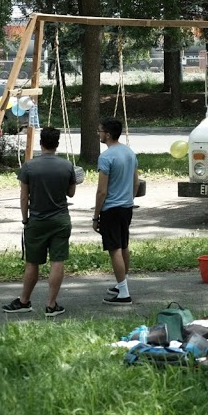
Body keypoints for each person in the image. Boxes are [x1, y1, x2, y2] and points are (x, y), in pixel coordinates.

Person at [1, 127, 77, 316]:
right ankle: (51, 305)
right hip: (60, 219)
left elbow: (23, 196)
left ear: (41, 143)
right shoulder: (67, 166)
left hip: (37, 220)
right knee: (57, 261)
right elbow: (71, 193)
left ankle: (24, 301)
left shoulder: (29, 166)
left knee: (32, 263)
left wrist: (25, 218)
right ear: (57, 145)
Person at [93, 117, 139, 304]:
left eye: (100, 131)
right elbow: (136, 182)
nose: (98, 134)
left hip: (111, 208)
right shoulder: (130, 152)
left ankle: (124, 294)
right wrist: (130, 199)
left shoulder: (106, 157)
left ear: (108, 134)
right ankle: (122, 284)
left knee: (114, 249)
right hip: (127, 207)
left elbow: (102, 190)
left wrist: (96, 215)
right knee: (124, 245)